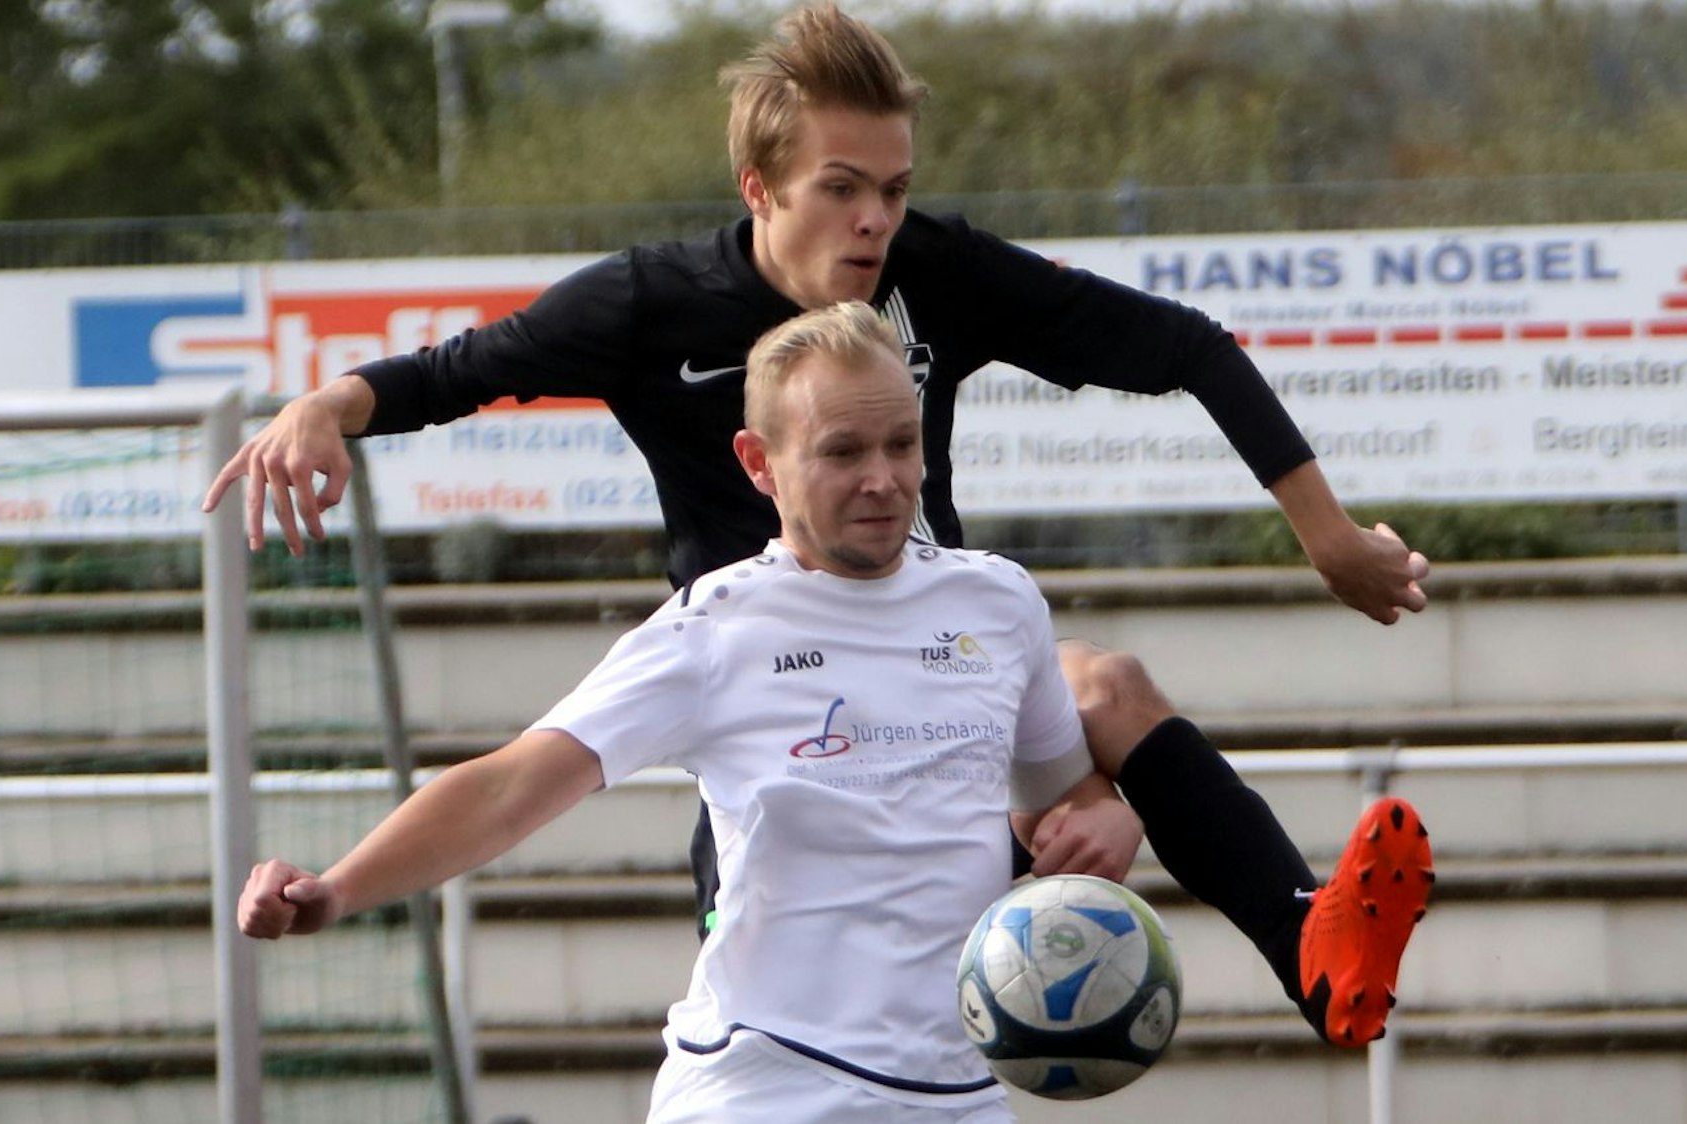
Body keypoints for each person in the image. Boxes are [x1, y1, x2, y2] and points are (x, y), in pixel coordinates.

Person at [206, 2, 1433, 1048]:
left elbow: (1187, 346)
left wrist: (1319, 541)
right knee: (778, 997)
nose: (873, 222)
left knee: (1101, 682)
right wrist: (324, 403)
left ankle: (1308, 945)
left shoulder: (945, 329)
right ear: (759, 188)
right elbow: (458, 370)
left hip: (942, 694)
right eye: (839, 189)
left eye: (893, 191)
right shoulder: (658, 315)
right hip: (774, 731)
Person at [243, 302, 1122, 1123]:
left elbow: (1065, 796)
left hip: (961, 1093)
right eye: (843, 452)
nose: (883, 479)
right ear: (757, 462)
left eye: (901, 444)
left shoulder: (998, 603)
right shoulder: (714, 628)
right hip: (764, 1084)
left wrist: (1107, 821)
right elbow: (511, 787)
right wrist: (338, 889)